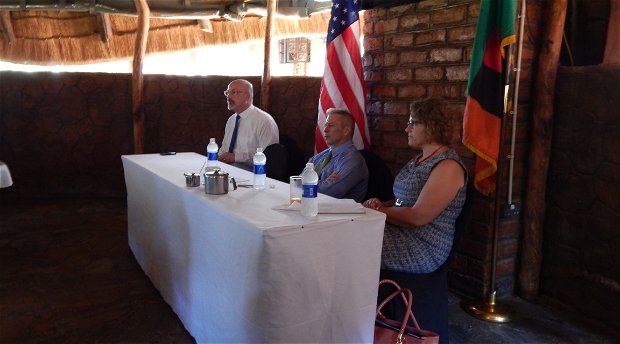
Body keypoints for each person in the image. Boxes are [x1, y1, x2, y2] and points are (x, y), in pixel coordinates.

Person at [363, 99, 467, 343]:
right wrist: (383, 204)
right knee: (348, 236)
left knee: (353, 244)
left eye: (412, 123)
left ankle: (361, 321)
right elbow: (403, 201)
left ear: (431, 125)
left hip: (422, 246)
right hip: (401, 232)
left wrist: (379, 214)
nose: (406, 128)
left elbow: (418, 216)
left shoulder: (448, 166)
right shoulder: (419, 160)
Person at [306, 108, 368, 202]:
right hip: (313, 206)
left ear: (346, 131)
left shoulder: (353, 161)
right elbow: (298, 182)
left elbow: (328, 192)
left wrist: (308, 183)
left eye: (331, 126)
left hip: (339, 214)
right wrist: (324, 182)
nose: (325, 130)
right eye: (325, 125)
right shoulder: (320, 157)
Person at [218, 79, 279, 168]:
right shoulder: (231, 120)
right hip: (228, 171)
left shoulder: (264, 121)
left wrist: (236, 157)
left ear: (247, 96)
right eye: (228, 93)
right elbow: (224, 149)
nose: (228, 97)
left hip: (253, 175)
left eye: (234, 92)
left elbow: (269, 158)